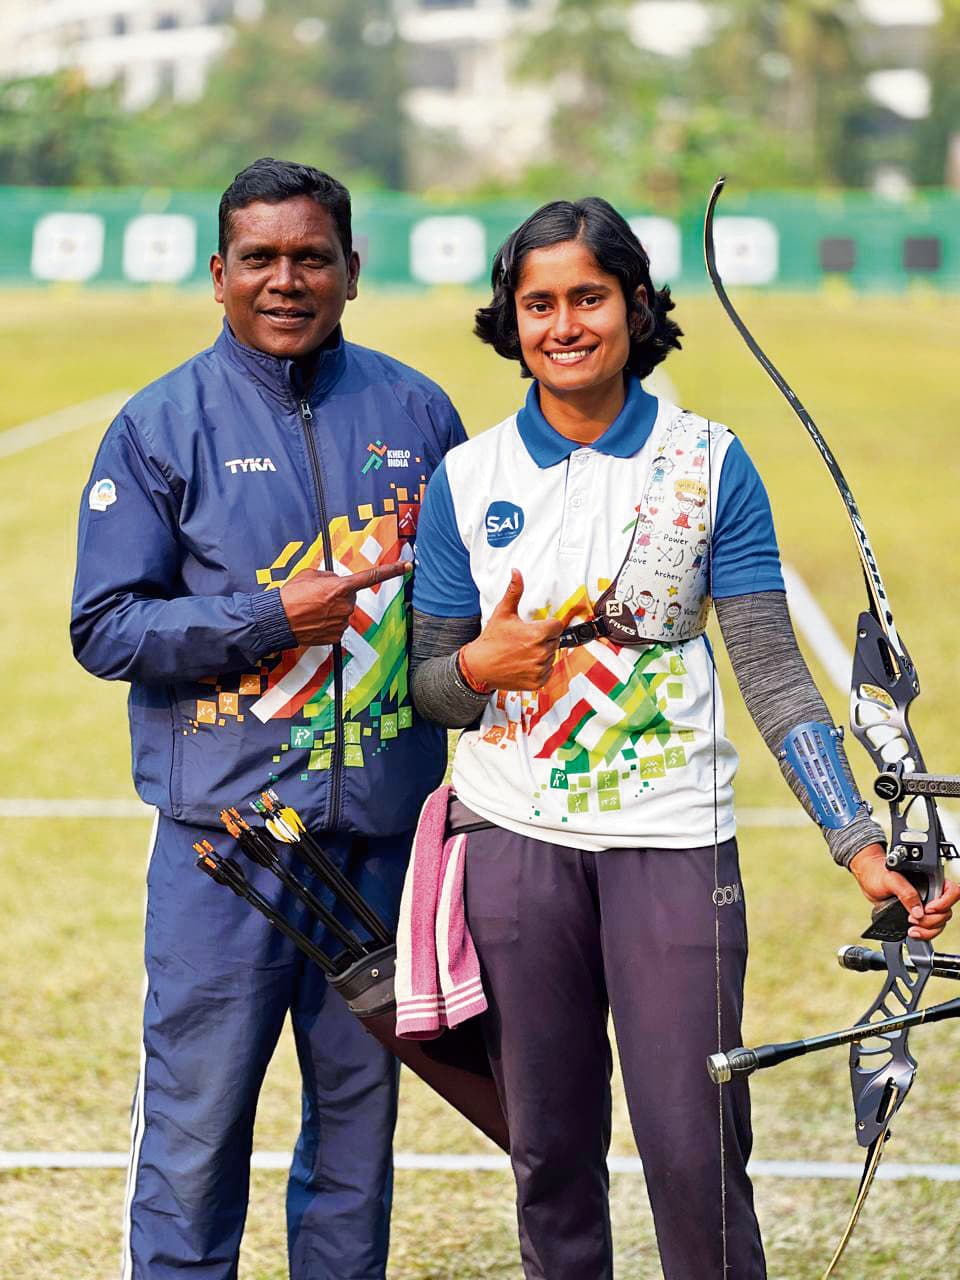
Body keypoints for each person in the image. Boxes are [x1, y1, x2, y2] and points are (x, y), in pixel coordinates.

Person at [408, 197, 960, 1279]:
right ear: (511, 318)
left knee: (695, 1148)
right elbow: (431, 688)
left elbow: (771, 668)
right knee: (548, 1152)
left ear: (635, 305)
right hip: (513, 842)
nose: (564, 325)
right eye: (539, 303)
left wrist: (857, 841)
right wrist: (478, 668)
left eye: (588, 298)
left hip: (673, 842)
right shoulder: (469, 478)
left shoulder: (708, 461)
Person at [70, 158, 466, 1280]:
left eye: (310, 257)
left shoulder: (419, 412)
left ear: (352, 270)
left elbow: (459, 617)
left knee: (357, 1139)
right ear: (219, 273)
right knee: (195, 1130)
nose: (285, 280)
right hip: (227, 848)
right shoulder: (160, 425)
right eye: (260, 258)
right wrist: (267, 617)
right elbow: (105, 627)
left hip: (381, 845)